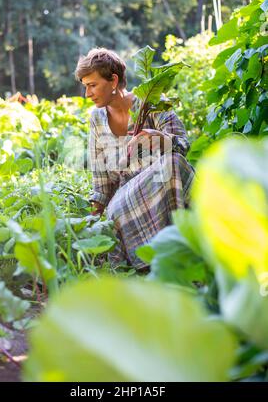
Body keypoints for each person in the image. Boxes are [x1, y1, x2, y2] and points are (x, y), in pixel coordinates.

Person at [75, 47, 195, 269]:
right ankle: (153, 262)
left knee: (173, 164)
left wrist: (160, 138)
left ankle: (185, 248)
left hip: (163, 188)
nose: (88, 94)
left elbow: (183, 145)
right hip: (126, 200)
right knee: (120, 206)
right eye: (85, 87)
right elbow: (101, 183)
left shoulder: (150, 104)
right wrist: (88, 227)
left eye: (92, 85)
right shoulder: (97, 119)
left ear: (113, 80)